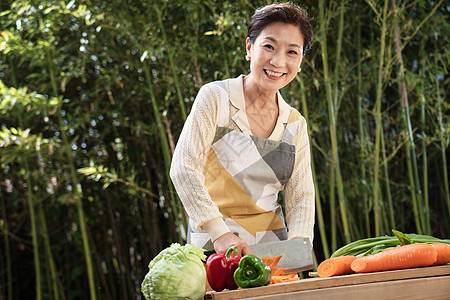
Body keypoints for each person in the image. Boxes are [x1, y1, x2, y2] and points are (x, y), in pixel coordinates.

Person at [170, 2, 315, 257]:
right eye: (269, 46)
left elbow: (301, 197)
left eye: (292, 52)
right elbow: (184, 168)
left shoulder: (295, 123)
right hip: (214, 248)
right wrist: (220, 233)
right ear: (249, 48)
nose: (278, 61)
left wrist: (299, 249)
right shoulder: (215, 97)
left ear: (301, 61)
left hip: (274, 253)